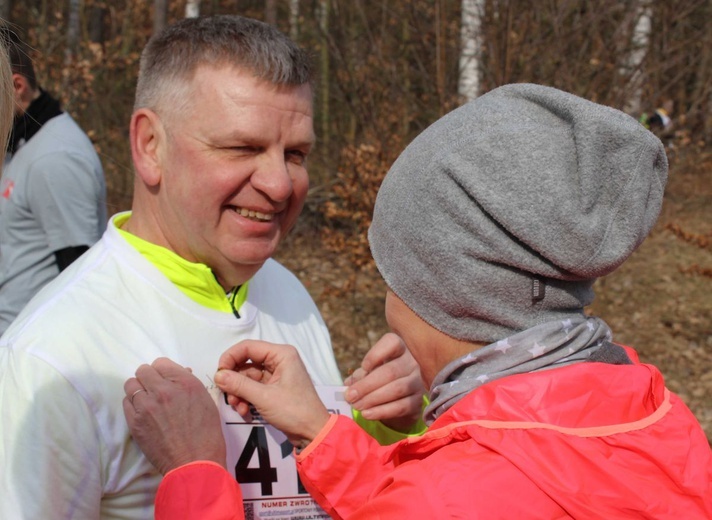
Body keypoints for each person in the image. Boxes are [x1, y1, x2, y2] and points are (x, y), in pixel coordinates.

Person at [124, 83, 712, 519]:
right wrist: (321, 434)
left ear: (434, 290)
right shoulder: (656, 414)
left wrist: (194, 476)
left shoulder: (454, 494)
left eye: (391, 270)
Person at [0, 15, 425, 520]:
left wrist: (389, 431)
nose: (280, 185)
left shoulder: (284, 289)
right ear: (150, 146)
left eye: (296, 153)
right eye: (241, 147)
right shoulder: (50, 356)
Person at [0, 28, 107, 335]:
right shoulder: (24, 144)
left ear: (16, 87)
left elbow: (78, 271)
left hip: (32, 344)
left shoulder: (56, 157)